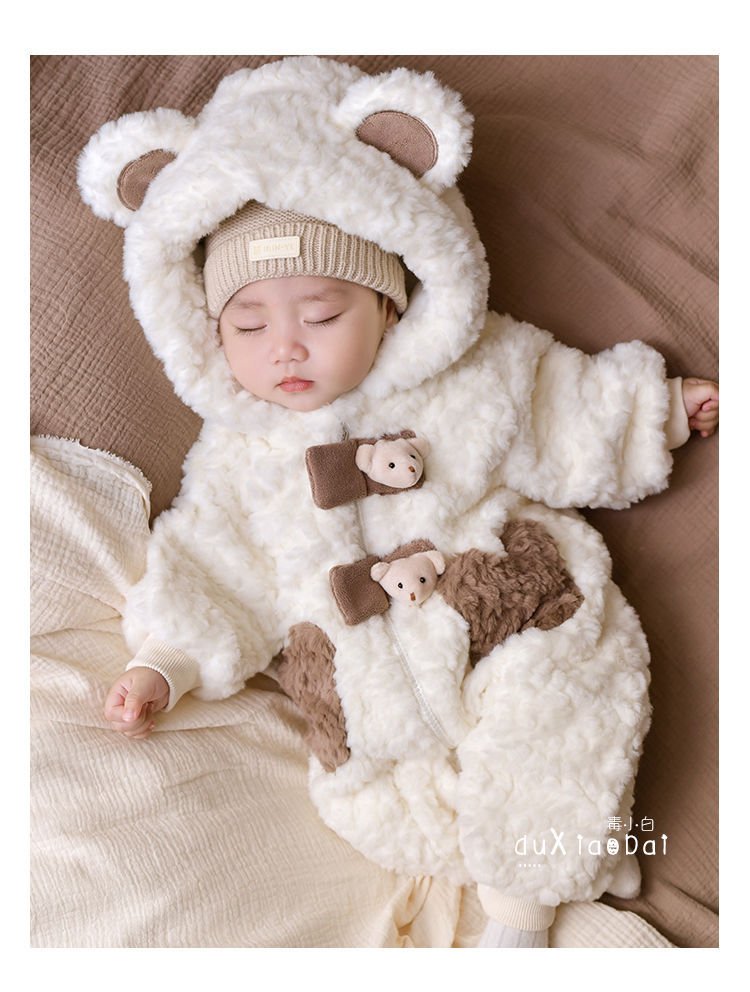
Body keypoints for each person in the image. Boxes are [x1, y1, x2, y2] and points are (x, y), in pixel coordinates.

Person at [80, 56, 717, 948]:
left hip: (510, 612)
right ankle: (555, 846)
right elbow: (216, 560)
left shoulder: (474, 371)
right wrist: (166, 663)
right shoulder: (238, 451)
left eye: (321, 315)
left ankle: (525, 905)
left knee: (567, 696)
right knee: (372, 802)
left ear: (390, 302)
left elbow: (564, 408)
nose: (285, 347)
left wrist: (659, 410)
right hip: (358, 682)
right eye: (249, 324)